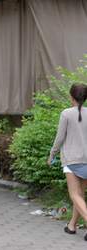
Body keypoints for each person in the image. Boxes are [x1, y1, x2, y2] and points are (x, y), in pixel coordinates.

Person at [48, 83, 87, 240]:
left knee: (74, 195)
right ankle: (71, 225)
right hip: (86, 160)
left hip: (71, 160)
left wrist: (52, 155)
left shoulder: (66, 114)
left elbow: (60, 138)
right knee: (80, 195)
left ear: (71, 97)